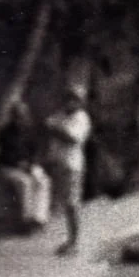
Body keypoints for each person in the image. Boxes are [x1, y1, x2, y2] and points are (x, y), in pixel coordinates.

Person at [45, 85, 91, 255]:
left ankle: (74, 242)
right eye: (68, 99)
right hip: (57, 162)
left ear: (80, 102)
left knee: (72, 203)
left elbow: (73, 138)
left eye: (74, 100)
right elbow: (48, 128)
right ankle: (67, 240)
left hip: (72, 165)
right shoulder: (60, 115)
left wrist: (55, 129)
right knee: (61, 203)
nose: (70, 103)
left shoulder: (82, 118)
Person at [0, 99, 51, 233]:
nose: (20, 118)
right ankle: (26, 221)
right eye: (17, 115)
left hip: (27, 166)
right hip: (9, 167)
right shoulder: (4, 133)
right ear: (12, 116)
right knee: (25, 183)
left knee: (43, 181)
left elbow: (35, 151)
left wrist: (31, 163)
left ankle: (39, 219)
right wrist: (19, 164)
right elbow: (4, 155)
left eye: (23, 115)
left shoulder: (29, 131)